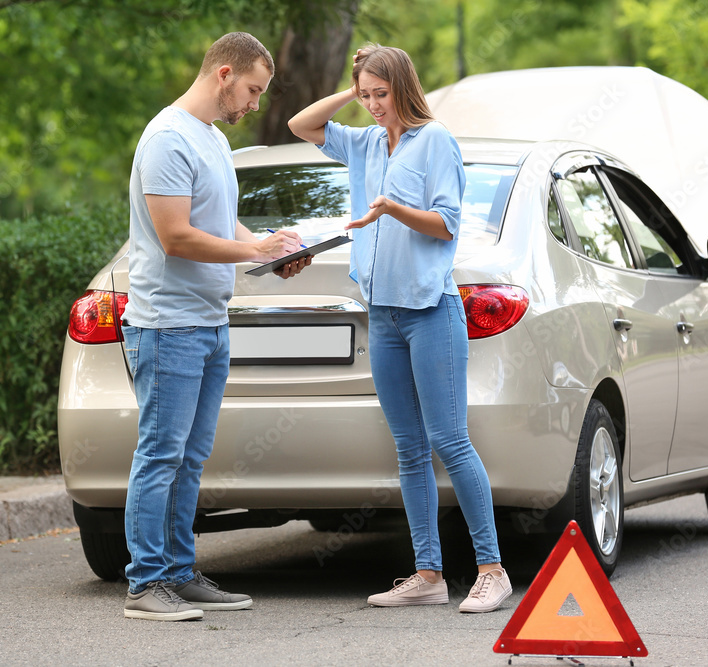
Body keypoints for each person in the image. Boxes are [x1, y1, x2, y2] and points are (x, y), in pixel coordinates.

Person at [287, 44, 512, 613]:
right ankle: (428, 574)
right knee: (409, 450)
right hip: (382, 315)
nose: (371, 106)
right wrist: (353, 81)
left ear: (404, 89)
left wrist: (391, 208)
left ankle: (492, 569)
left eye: (380, 95)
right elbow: (301, 124)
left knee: (450, 441)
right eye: (365, 96)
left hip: (431, 310)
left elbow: (446, 225)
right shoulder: (363, 142)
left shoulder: (435, 141)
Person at [122, 31, 309, 622]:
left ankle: (179, 572)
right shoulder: (167, 139)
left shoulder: (211, 140)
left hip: (208, 321)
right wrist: (252, 254)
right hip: (167, 325)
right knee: (161, 455)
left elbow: (222, 225)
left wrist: (269, 249)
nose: (255, 103)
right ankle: (145, 584)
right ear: (224, 74)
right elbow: (176, 237)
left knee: (190, 457)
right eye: (252, 90)